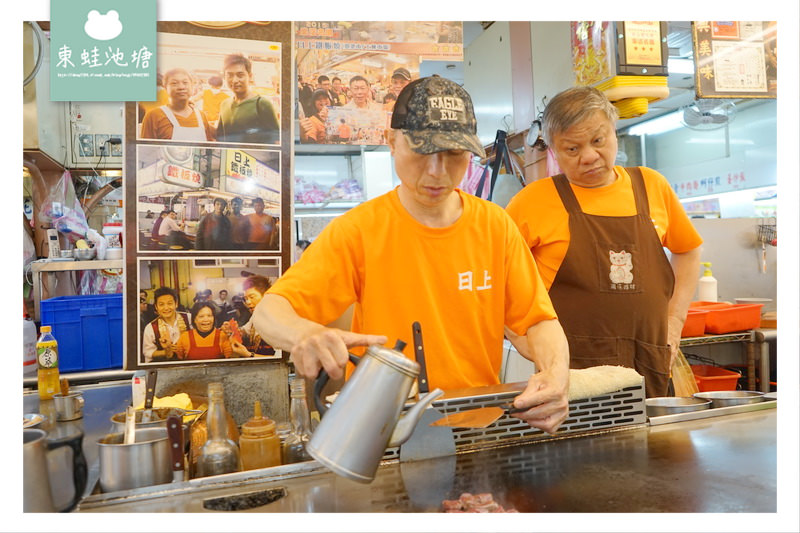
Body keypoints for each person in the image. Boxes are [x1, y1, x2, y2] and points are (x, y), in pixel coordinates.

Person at [252, 76, 570, 434]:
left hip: (478, 429)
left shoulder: (495, 226)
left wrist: (555, 374)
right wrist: (303, 333)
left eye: (453, 155)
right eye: (421, 151)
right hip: (384, 437)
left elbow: (538, 321)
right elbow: (269, 312)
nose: (437, 173)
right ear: (391, 142)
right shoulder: (359, 230)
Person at [505, 86, 703, 398]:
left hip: (650, 359)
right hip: (572, 373)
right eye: (572, 149)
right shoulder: (531, 202)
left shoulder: (651, 186)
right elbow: (496, 276)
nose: (589, 157)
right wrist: (519, 338)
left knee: (657, 446)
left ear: (614, 131)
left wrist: (675, 318)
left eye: (598, 141)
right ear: (553, 151)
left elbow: (688, 250)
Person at [217, 54, 280, 145]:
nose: (234, 80)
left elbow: (275, 140)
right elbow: (220, 136)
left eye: (240, 75)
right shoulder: (224, 104)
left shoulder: (262, 104)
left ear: (250, 76)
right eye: (229, 75)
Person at [140, 68, 215, 141]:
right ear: (165, 88)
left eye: (185, 82)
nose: (181, 87)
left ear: (192, 86)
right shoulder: (154, 116)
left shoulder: (201, 116)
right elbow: (145, 150)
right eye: (174, 83)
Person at [223, 276, 277, 357]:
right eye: (246, 298)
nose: (248, 302)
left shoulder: (278, 321)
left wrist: (248, 355)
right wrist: (233, 329)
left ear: (266, 296)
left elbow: (279, 359)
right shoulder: (255, 316)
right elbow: (246, 332)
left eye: (252, 297)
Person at [142, 287, 191, 363]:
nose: (166, 308)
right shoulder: (150, 328)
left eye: (170, 303)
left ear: (176, 303)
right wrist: (166, 352)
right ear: (156, 307)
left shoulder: (189, 318)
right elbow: (148, 353)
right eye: (161, 304)